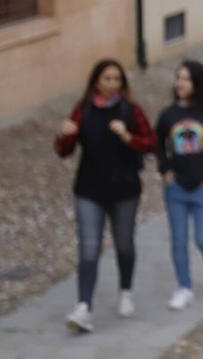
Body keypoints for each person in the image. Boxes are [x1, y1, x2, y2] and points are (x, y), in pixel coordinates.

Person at [54, 59, 157, 334]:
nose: (112, 84)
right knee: (88, 248)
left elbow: (151, 143)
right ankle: (83, 307)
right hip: (89, 189)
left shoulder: (131, 111)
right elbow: (64, 149)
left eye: (117, 79)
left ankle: (125, 291)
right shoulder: (83, 110)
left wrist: (128, 137)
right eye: (107, 79)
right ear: (96, 81)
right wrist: (64, 135)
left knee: (124, 243)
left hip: (124, 189)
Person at [156, 60, 203, 311]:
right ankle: (184, 288)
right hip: (176, 188)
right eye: (178, 77)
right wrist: (165, 170)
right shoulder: (168, 115)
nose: (180, 83)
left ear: (197, 82)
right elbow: (157, 145)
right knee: (178, 241)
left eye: (186, 78)